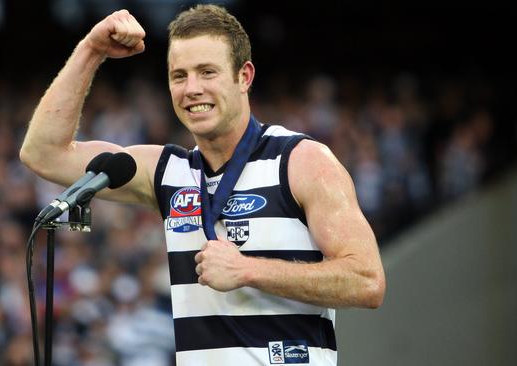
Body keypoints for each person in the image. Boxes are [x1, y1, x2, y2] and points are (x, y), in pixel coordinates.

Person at [20, 4, 385, 365]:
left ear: (244, 76)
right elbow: (43, 153)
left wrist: (249, 270)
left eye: (206, 72)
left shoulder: (302, 161)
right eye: (179, 76)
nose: (191, 88)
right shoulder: (168, 171)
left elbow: (367, 281)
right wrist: (91, 50)